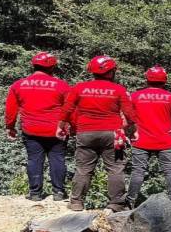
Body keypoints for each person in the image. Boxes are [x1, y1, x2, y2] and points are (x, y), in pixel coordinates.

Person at [56, 55, 138, 212]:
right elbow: (129, 114)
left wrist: (61, 126)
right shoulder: (119, 89)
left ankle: (76, 202)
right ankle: (116, 204)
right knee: (116, 168)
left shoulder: (79, 88)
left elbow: (67, 110)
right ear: (110, 72)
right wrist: (133, 131)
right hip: (114, 134)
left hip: (86, 132)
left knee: (83, 169)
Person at [126, 65, 171, 208]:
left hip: (141, 140)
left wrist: (131, 130)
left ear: (146, 79)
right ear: (164, 80)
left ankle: (129, 203)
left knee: (138, 172)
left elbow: (124, 115)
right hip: (165, 141)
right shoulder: (170, 97)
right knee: (169, 171)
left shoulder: (135, 96)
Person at [5, 52, 71, 201]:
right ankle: (58, 192)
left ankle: (35, 193)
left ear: (33, 65)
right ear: (53, 67)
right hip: (56, 130)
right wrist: (71, 126)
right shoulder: (62, 85)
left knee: (34, 159)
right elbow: (70, 109)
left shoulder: (18, 85)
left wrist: (10, 126)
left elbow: (10, 109)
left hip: (31, 129)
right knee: (58, 159)